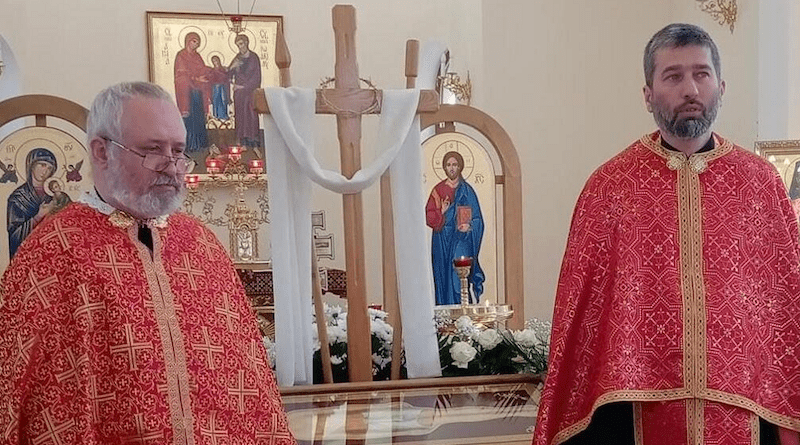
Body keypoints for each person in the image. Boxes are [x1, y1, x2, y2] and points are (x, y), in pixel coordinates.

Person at [534, 24, 800, 445]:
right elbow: (580, 314)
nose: (690, 88)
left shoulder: (760, 183)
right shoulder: (611, 186)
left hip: (745, 404)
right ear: (648, 94)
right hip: (632, 407)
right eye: (673, 76)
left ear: (721, 86)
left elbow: (787, 306)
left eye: (702, 73)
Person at [0, 81, 296, 444]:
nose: (172, 167)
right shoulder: (53, 251)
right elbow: (27, 392)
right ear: (101, 151)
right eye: (153, 150)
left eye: (179, 151)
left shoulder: (201, 246)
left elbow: (250, 382)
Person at [425, 150, 485, 305]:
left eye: (455, 164)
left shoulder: (467, 191)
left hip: (461, 239)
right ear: (444, 168)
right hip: (442, 239)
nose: (452, 168)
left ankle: (463, 314)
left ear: (460, 167)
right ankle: (445, 318)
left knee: (458, 278)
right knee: (443, 280)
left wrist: (469, 226)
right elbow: (429, 217)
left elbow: (478, 219)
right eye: (448, 165)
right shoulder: (438, 190)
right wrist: (442, 212)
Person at [6, 147, 56, 258]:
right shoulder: (18, 198)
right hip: (26, 258)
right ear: (31, 166)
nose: (45, 171)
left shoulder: (54, 196)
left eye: (49, 168)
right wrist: (38, 216)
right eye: (42, 165)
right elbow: (14, 237)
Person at [174, 31, 211, 152]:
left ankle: (200, 144)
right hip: (187, 92)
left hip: (198, 91)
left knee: (199, 117)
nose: (196, 45)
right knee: (190, 118)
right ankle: (191, 145)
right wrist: (195, 79)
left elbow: (202, 69)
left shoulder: (197, 56)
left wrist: (212, 72)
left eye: (198, 43)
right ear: (188, 41)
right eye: (194, 41)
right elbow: (181, 74)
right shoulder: (181, 56)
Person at [228, 34, 262, 147]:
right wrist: (232, 67)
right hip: (239, 94)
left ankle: (252, 140)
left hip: (250, 92)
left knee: (251, 114)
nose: (240, 47)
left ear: (246, 43)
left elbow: (256, 78)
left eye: (241, 44)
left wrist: (243, 87)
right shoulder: (237, 58)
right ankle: (241, 140)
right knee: (240, 115)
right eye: (238, 45)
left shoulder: (254, 58)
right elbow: (228, 74)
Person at [209, 55, 231, 120]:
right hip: (215, 89)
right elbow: (210, 81)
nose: (215, 62)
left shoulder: (224, 69)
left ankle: (224, 115)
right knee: (216, 101)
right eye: (213, 61)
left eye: (216, 60)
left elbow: (227, 78)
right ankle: (217, 116)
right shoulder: (212, 71)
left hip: (223, 88)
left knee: (223, 100)